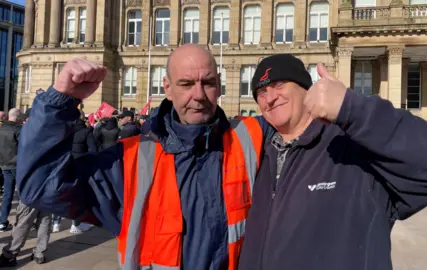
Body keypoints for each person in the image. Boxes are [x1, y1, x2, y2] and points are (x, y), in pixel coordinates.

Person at [16, 44, 273, 269]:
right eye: (186, 84)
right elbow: (40, 187)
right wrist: (59, 101)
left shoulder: (251, 138)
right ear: (167, 88)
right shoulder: (129, 160)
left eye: (207, 83)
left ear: (219, 84)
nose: (198, 95)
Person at [237, 54, 427, 270]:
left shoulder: (354, 146)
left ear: (307, 89)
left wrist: (351, 108)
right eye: (262, 91)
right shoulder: (259, 153)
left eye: (278, 85)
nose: (270, 97)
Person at [0, 114, 52, 266]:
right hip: (49, 183)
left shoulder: (32, 135)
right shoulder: (54, 133)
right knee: (44, 219)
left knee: (24, 220)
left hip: (33, 183)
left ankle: (11, 253)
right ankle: (40, 253)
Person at [52, 117, 97, 234]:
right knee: (77, 195)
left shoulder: (64, 131)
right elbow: (93, 149)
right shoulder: (86, 131)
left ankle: (56, 223)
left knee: (61, 193)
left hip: (64, 164)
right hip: (80, 165)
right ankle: (75, 224)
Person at [0, 109, 23, 232]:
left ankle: (2, 222)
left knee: (7, 195)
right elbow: (24, 148)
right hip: (17, 165)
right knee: (21, 196)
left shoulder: (1, 128)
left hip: (5, 165)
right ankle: (20, 223)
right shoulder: (18, 130)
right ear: (17, 117)